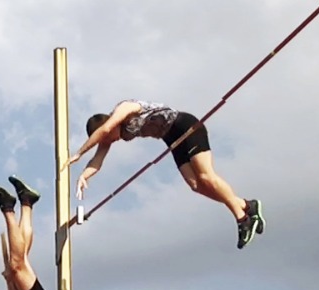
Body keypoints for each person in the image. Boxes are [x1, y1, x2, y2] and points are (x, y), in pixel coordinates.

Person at [64, 101, 263, 249]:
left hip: (185, 125)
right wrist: (84, 176)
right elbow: (97, 161)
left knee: (206, 177)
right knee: (196, 185)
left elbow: (106, 130)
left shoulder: (123, 109)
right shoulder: (109, 136)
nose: (111, 141)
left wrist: (79, 153)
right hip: (171, 138)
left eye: (108, 137)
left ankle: (242, 218)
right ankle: (247, 205)